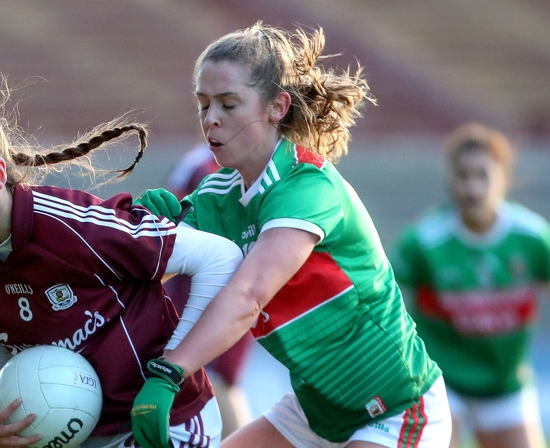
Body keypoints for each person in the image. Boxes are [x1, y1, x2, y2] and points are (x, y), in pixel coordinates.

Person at [130, 22, 451, 448]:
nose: (211, 120)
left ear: (277, 106)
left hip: (397, 407)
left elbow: (248, 298)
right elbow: (143, 278)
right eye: (203, 104)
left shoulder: (307, 185)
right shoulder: (214, 195)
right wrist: (139, 235)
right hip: (315, 410)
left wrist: (171, 370)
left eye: (228, 104)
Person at [0, 75, 245, 448]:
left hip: (166, 423)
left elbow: (220, 257)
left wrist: (171, 371)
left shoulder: (71, 224)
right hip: (79, 437)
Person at [390, 123, 550, 448]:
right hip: (440, 382)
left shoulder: (532, 236)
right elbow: (383, 302)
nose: (471, 187)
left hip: (507, 384)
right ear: (451, 180)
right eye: (463, 176)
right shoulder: (423, 240)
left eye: (482, 175)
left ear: (503, 179)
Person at [163, 142, 254, 438]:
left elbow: (168, 234)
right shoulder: (199, 163)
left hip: (225, 289)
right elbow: (171, 227)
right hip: (212, 286)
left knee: (212, 379)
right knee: (211, 379)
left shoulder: (208, 163)